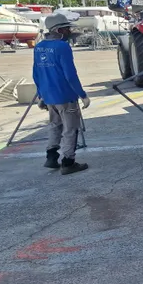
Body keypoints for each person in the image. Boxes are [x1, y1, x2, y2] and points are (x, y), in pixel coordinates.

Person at [33, 13, 91, 175]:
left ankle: (51, 157)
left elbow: (36, 74)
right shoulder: (62, 47)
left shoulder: (39, 47)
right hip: (65, 96)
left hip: (49, 96)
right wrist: (82, 95)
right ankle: (68, 162)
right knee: (71, 129)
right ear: (58, 30)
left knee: (55, 125)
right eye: (66, 29)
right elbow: (70, 75)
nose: (68, 31)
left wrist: (41, 95)